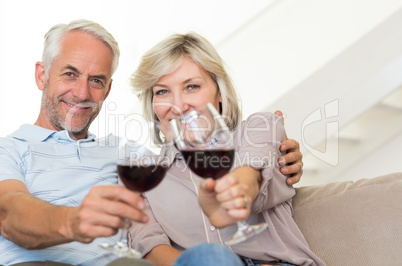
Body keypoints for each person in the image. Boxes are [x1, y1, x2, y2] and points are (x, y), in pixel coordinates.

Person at [0, 20, 302, 266]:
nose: (81, 92)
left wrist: (277, 158)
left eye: (96, 80)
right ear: (42, 75)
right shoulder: (9, 149)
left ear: (107, 89)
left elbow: (253, 157)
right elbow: (9, 213)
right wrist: (74, 220)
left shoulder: (130, 158)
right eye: (70, 74)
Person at [129, 32, 324, 265]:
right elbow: (150, 247)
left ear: (219, 93)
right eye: (162, 91)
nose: (179, 106)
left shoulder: (260, 127)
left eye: (191, 87)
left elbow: (249, 177)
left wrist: (234, 195)